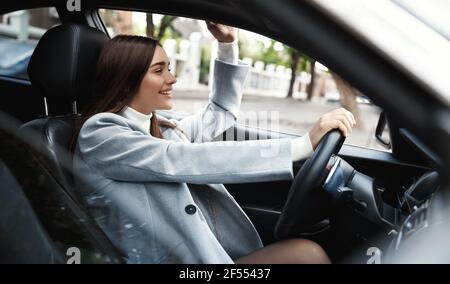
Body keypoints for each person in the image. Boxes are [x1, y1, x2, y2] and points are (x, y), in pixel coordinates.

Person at [72, 21, 355, 264]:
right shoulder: (100, 134)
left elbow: (219, 112)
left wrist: (227, 45)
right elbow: (179, 160)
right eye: (159, 71)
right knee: (308, 256)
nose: (172, 78)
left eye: (169, 68)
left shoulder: (163, 125)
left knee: (307, 254)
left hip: (209, 256)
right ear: (125, 81)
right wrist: (301, 146)